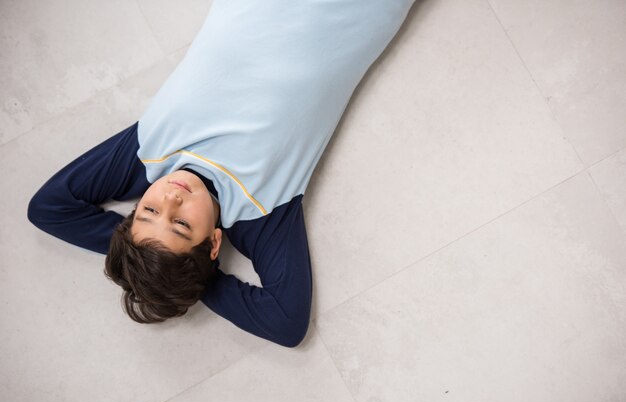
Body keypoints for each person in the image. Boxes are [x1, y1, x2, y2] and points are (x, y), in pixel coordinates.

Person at [27, 0, 415, 347]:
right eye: (180, 224)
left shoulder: (148, 153)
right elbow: (285, 323)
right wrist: (191, 281)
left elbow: (47, 209)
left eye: (147, 213)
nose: (170, 198)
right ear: (214, 246)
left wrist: (140, 259)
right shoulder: (262, 211)